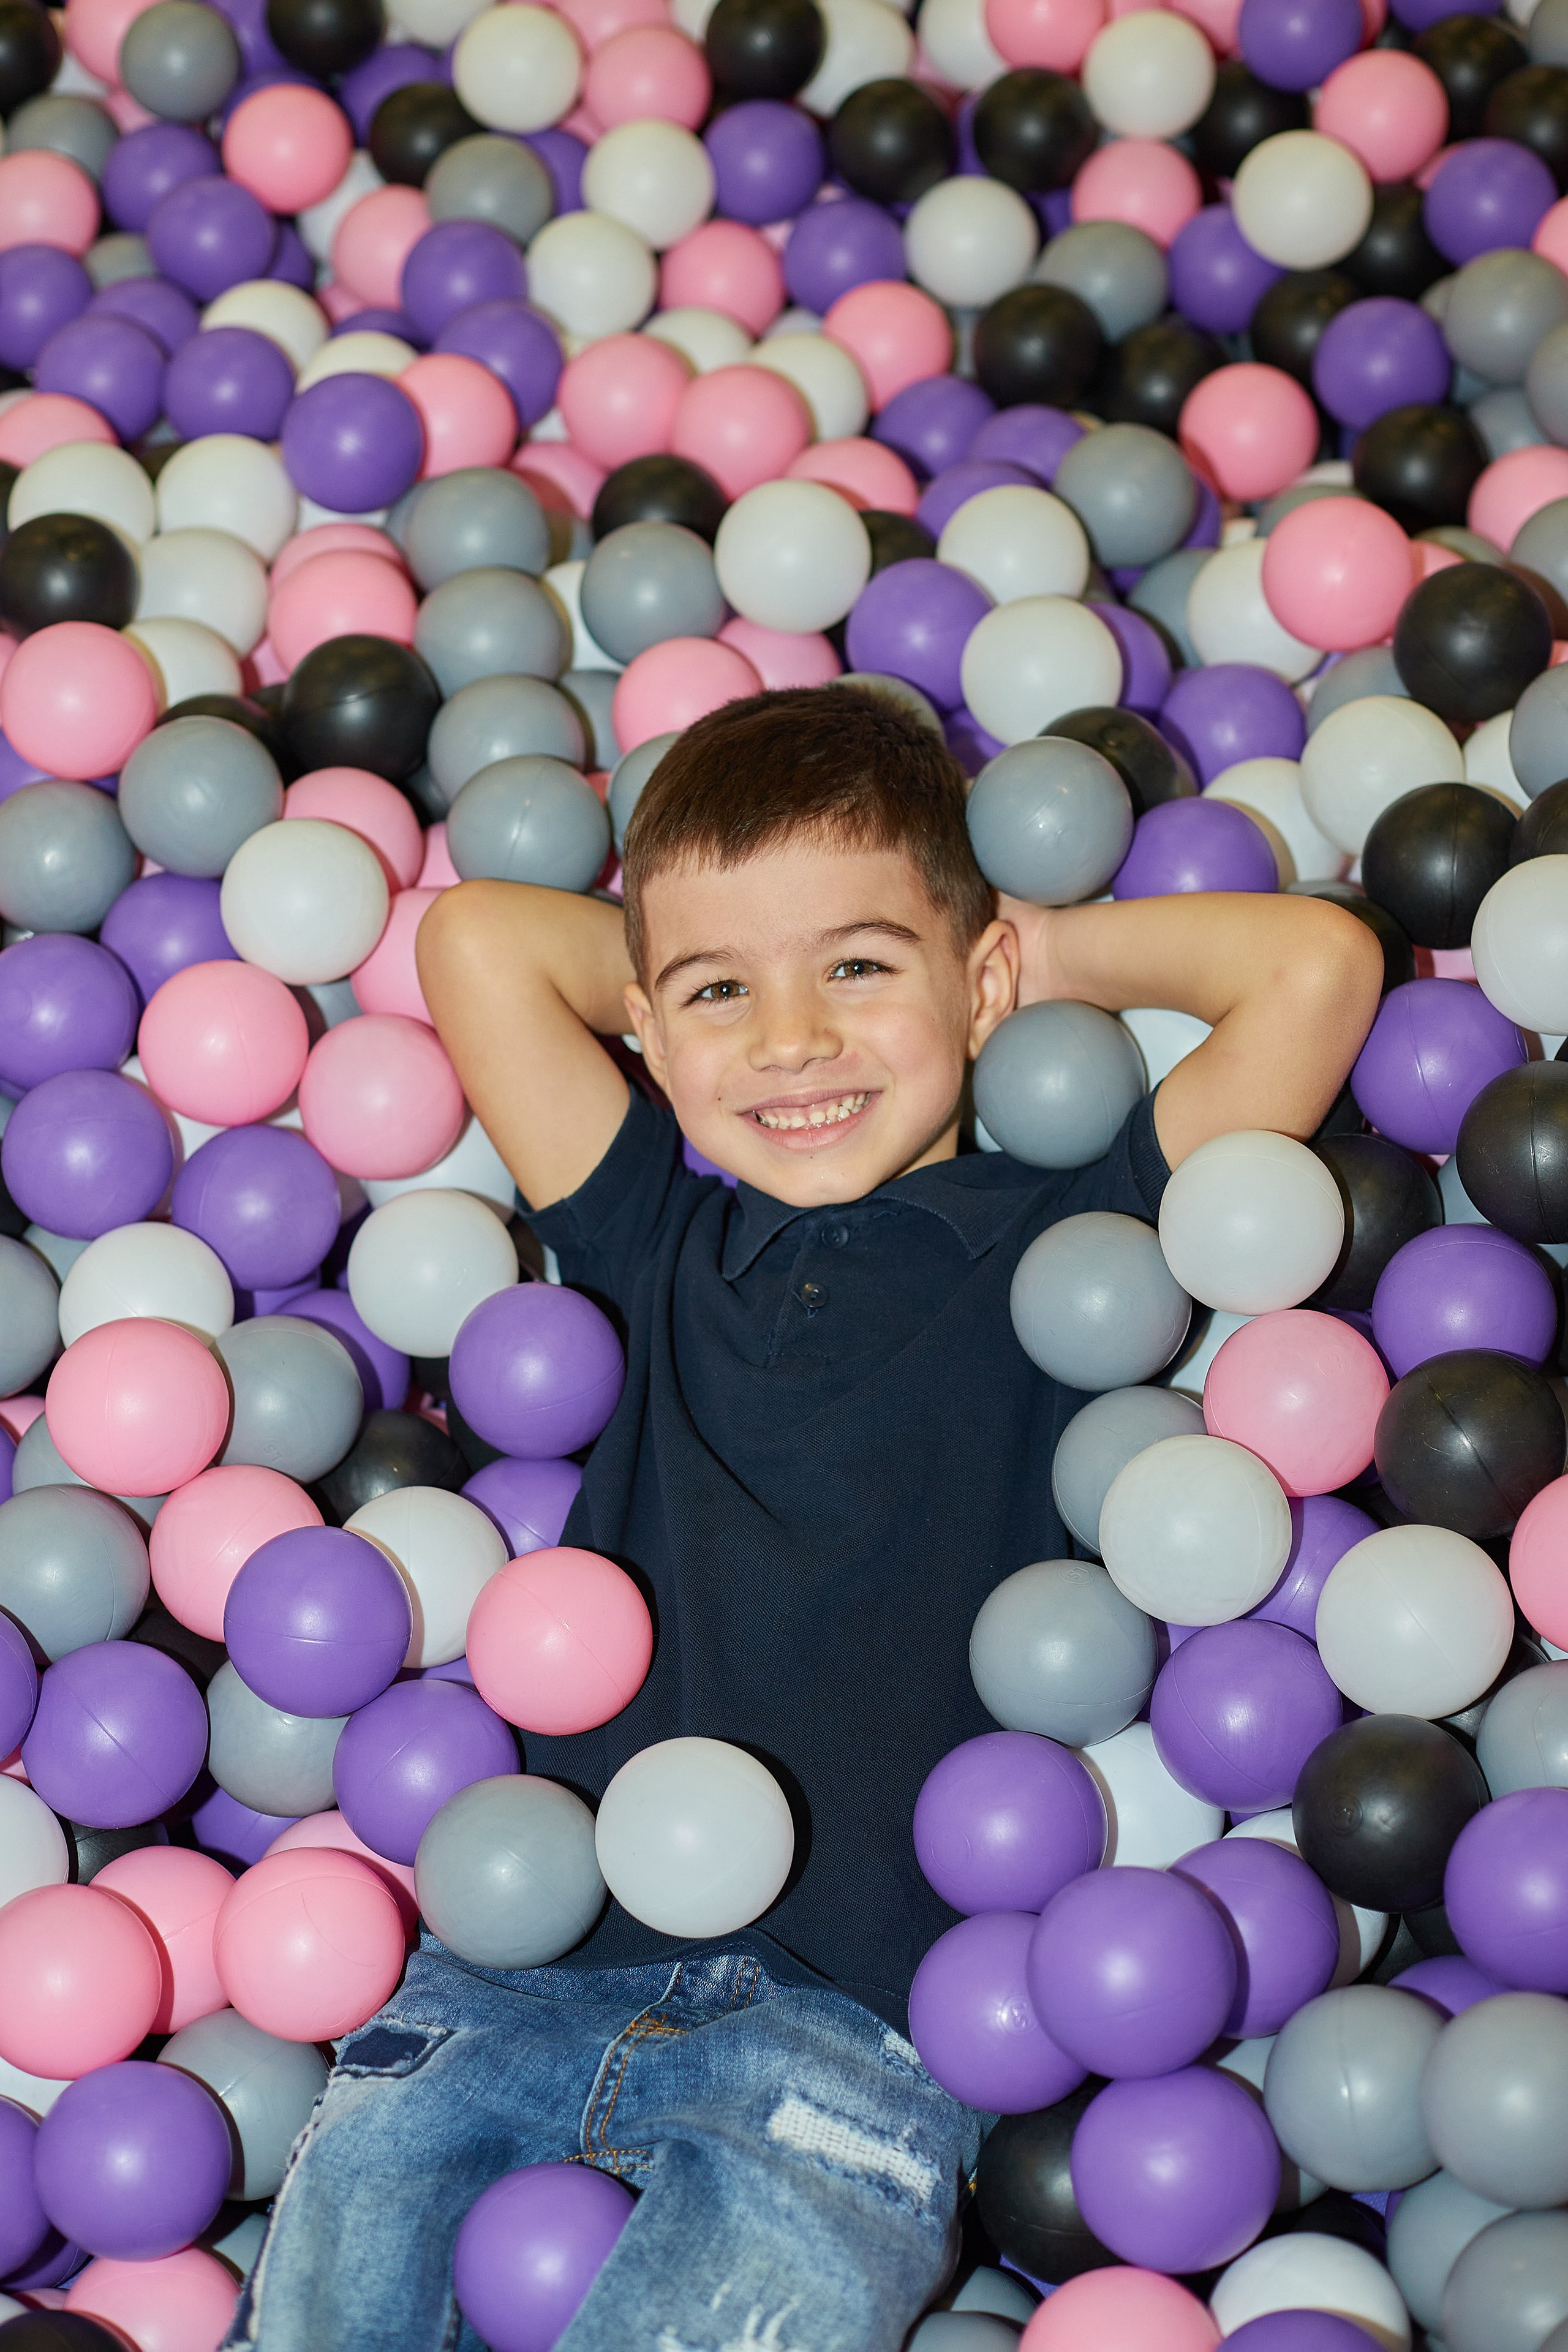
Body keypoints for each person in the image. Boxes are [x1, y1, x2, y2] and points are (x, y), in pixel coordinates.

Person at [227, 687, 1382, 2352]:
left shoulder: (1074, 1244)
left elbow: (1314, 972)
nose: (790, 1041)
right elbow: (478, 938)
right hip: (519, 1974)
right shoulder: (656, 1236)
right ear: (646, 1022)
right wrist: (705, 967)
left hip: (854, 2028)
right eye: (719, 995)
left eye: (858, 967)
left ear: (975, 979)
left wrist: (1031, 948)